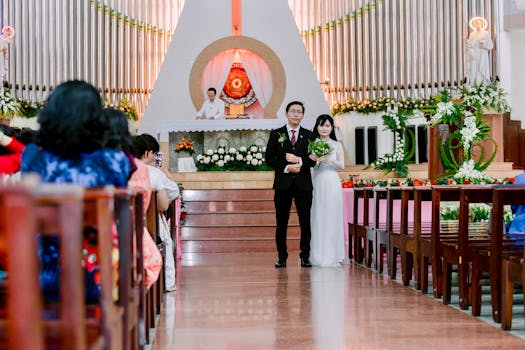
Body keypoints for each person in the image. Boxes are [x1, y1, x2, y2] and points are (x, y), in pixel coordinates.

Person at [21, 79, 131, 303]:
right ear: (97, 119)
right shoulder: (113, 161)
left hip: (43, 275)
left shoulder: (34, 158)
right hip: (99, 276)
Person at [265, 101, 316, 268]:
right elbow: (269, 159)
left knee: (305, 221)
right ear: (286, 113)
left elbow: (313, 159)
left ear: (302, 115)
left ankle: (305, 256)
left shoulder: (309, 135)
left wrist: (300, 162)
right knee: (281, 222)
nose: (295, 114)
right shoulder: (276, 133)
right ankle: (282, 256)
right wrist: (287, 167)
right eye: (292, 111)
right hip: (283, 185)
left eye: (299, 112)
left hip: (303, 185)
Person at [133, 133, 180, 292]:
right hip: (150, 222)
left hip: (125, 221)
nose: (154, 157)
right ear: (147, 152)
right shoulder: (154, 173)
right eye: (153, 153)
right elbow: (167, 201)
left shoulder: (124, 168)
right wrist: (167, 174)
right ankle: (167, 283)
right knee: (164, 240)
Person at [308, 114, 346, 266]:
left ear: (332, 128)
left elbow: (342, 166)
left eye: (327, 125)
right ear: (317, 127)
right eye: (321, 125)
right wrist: (314, 158)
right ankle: (316, 254)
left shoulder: (336, 145)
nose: (324, 128)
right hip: (317, 180)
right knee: (317, 214)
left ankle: (333, 253)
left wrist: (328, 159)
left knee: (331, 215)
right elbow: (308, 164)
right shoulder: (312, 143)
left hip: (331, 181)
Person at [466, 16, 493, 86]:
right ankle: (475, 85)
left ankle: (483, 85)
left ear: (481, 24)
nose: (477, 25)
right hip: (474, 55)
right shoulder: (472, 34)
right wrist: (469, 45)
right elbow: (469, 45)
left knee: (482, 70)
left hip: (482, 54)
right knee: (475, 70)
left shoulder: (485, 33)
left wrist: (484, 43)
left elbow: (490, 45)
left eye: (478, 23)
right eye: (476, 24)